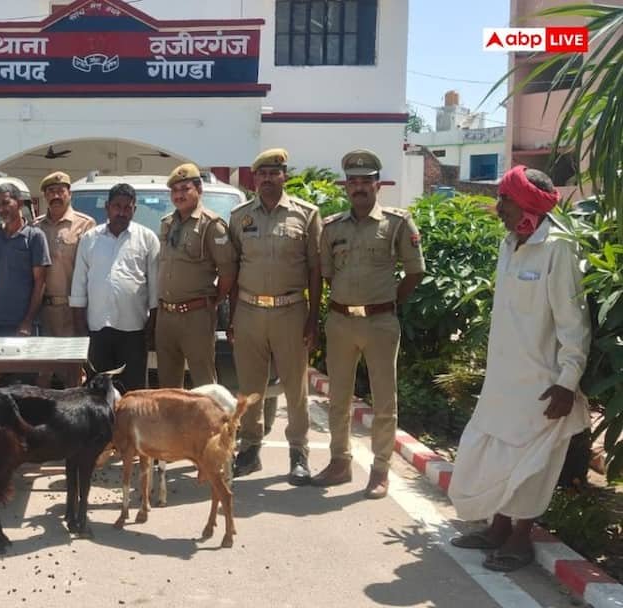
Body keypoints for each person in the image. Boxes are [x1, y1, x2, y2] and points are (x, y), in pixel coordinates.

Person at [448, 165, 590, 572]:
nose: (498, 208)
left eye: (505, 199)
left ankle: (519, 538)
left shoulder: (558, 248)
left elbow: (574, 323)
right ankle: (496, 527)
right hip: (502, 380)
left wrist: (566, 382)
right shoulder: (510, 243)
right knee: (492, 453)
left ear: (528, 203)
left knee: (530, 464)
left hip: (541, 384)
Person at [311, 149, 425, 499]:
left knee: (384, 400)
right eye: (353, 182)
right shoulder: (332, 227)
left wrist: (388, 302)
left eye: (366, 181)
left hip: (380, 323)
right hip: (341, 321)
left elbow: (414, 271)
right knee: (338, 397)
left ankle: (380, 469)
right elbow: (327, 274)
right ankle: (339, 462)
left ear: (378, 185)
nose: (359, 187)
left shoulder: (397, 223)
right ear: (346, 186)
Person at [228, 148, 322, 483]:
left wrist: (313, 317)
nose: (267, 179)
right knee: (249, 386)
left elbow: (315, 269)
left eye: (274, 172)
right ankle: (249, 450)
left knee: (295, 388)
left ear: (285, 176)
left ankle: (299, 453)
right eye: (262, 174)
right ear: (255, 178)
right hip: (249, 310)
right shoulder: (240, 217)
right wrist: (232, 316)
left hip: (290, 311)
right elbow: (233, 268)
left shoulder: (306, 215)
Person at [70, 183, 160, 391]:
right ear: (107, 207)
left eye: (127, 207)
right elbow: (79, 285)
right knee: (98, 393)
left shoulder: (147, 239)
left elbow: (155, 287)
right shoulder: (90, 239)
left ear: (134, 209)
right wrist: (80, 325)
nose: (121, 212)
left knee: (134, 392)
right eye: (117, 206)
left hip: (134, 329)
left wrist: (152, 325)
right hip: (98, 328)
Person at [155, 163, 237, 389]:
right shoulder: (167, 223)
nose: (179, 195)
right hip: (165, 315)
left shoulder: (212, 225)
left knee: (204, 382)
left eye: (185, 189)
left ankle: (210, 415)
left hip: (196, 316)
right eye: (174, 190)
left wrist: (214, 300)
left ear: (199, 189)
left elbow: (228, 272)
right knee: (168, 385)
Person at [0, 183, 50, 337]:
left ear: (19, 203)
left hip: (21, 324)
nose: (1, 209)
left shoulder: (35, 236)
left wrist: (28, 321)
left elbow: (40, 282)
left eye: (6, 203)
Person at [34, 171, 95, 337]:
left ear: (69, 194)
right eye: (51, 191)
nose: (56, 196)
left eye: (61, 191)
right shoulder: (37, 226)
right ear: (45, 196)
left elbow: (90, 271)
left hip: (73, 311)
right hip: (44, 312)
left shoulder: (85, 225)